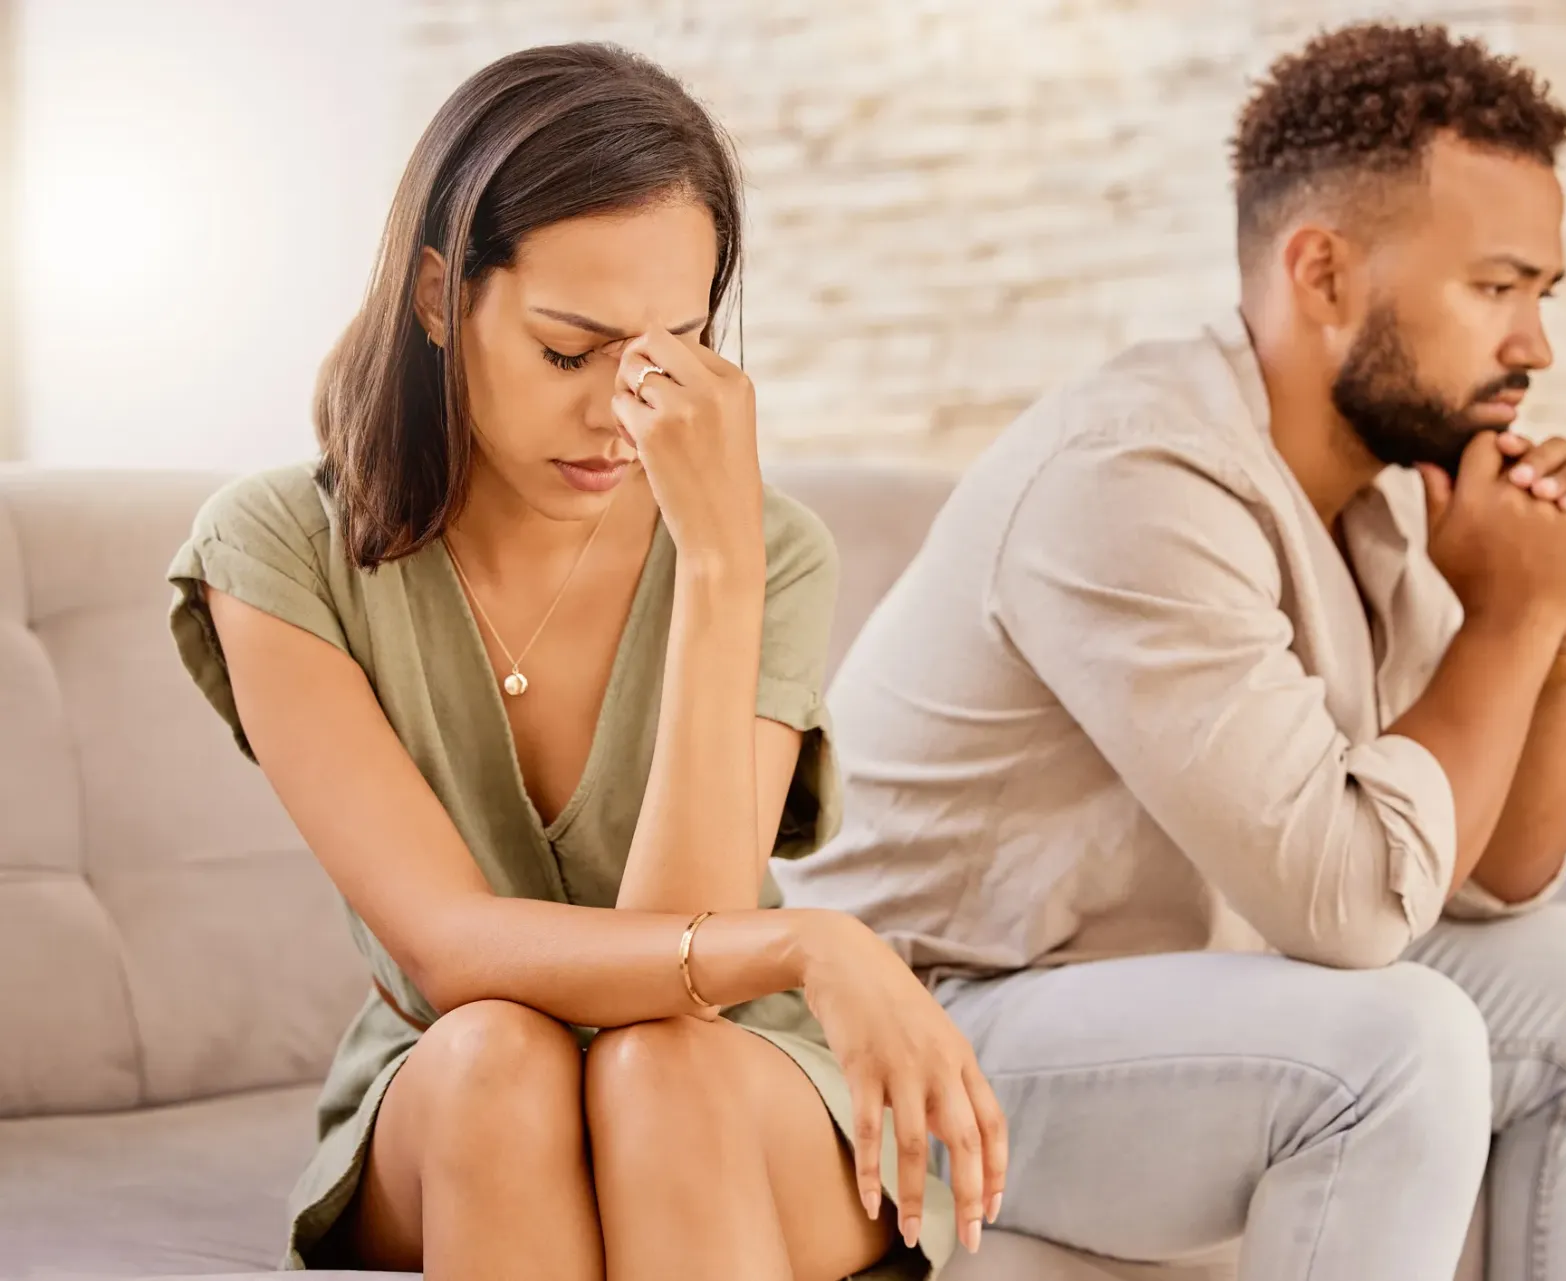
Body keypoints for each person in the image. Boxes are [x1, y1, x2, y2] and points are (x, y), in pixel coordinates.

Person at [776, 22, 1566, 1281]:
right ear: (1321, 273)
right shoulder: (1139, 473)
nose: (1535, 346)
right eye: (1496, 288)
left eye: (1543, 293)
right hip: (914, 1044)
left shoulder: (1370, 495)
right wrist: (1511, 620)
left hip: (1144, 1016)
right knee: (1397, 1038)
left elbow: (1487, 879)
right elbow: (1359, 903)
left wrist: (1564, 640)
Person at [166, 43, 1005, 1281]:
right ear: (441, 296)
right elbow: (448, 953)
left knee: (660, 1069)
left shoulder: (767, 552)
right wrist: (813, 944)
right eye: (573, 350)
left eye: (674, 349)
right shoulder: (280, 547)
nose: (626, 411)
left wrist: (716, 568)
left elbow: (687, 972)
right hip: (457, 1083)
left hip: (728, 1075)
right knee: (501, 1057)